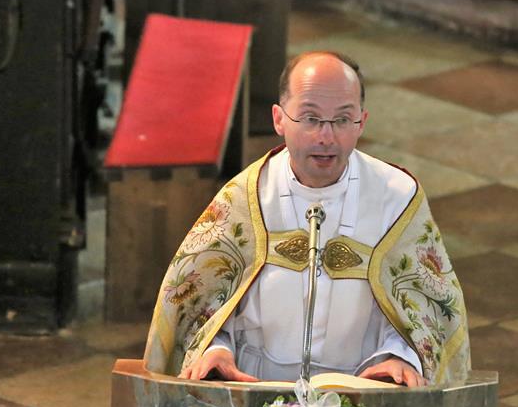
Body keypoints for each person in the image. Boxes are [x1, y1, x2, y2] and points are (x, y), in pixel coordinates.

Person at [143, 51, 469, 387]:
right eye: (311, 119)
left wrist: (400, 357)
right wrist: (216, 350)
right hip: (254, 386)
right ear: (279, 119)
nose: (326, 137)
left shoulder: (397, 199)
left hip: (364, 388)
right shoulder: (245, 199)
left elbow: (424, 312)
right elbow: (201, 308)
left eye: (342, 120)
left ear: (362, 122)